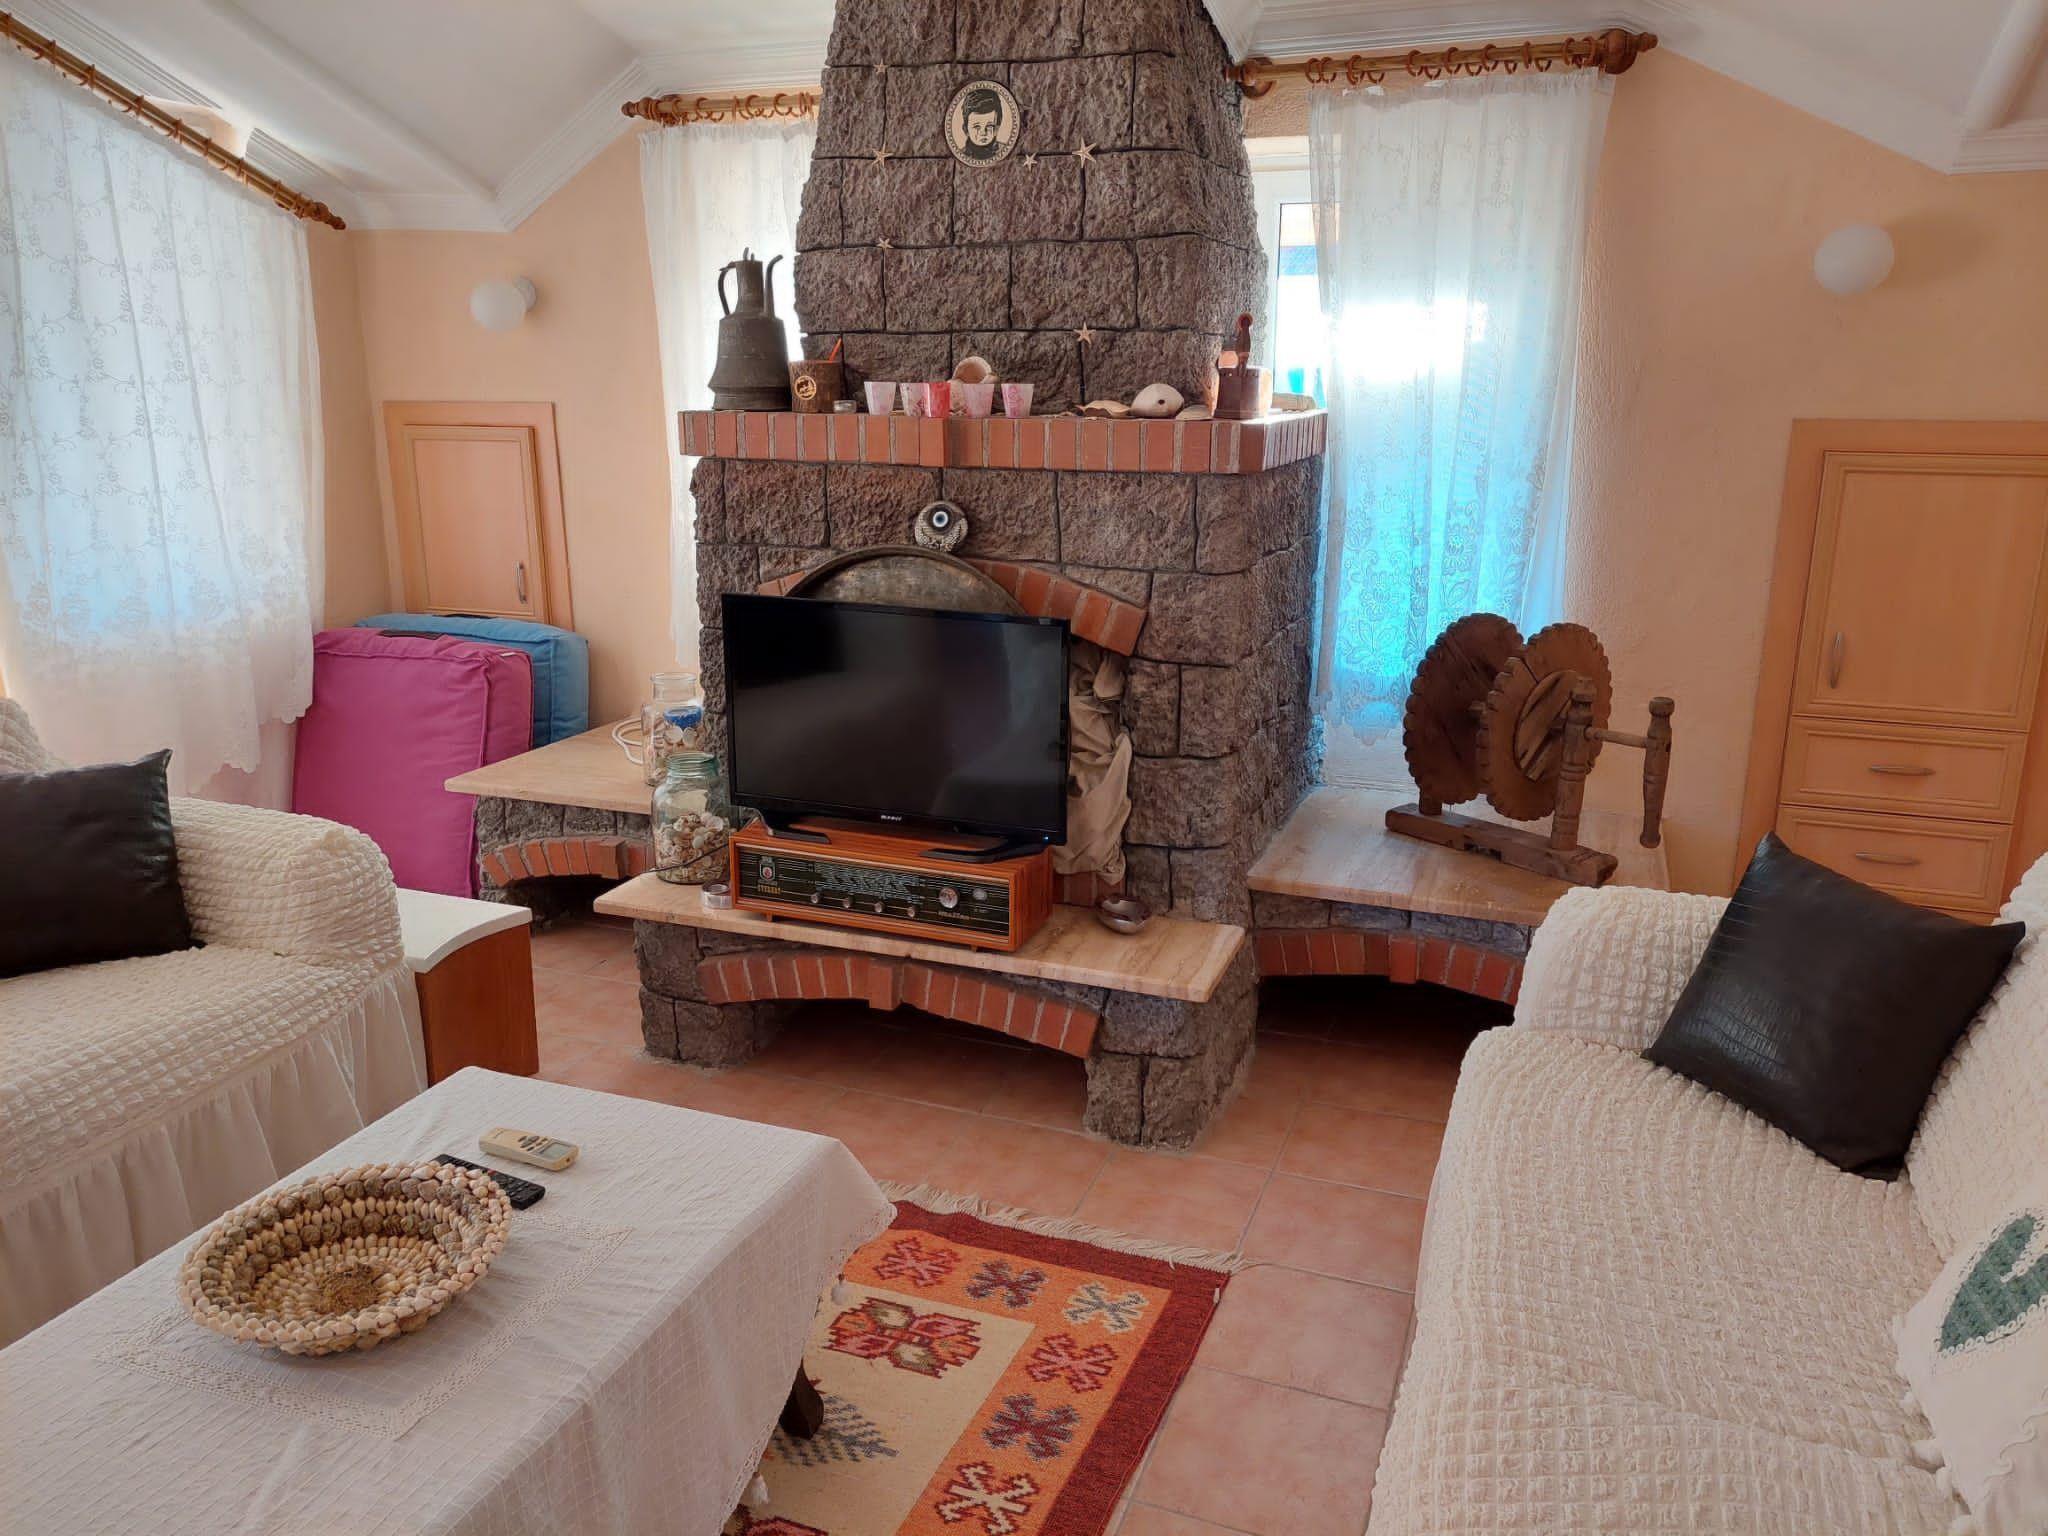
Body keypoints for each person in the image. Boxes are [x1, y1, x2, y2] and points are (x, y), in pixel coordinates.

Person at [957, 86, 1007, 162]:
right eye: (977, 126)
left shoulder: (1003, 151)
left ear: (997, 127)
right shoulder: (962, 155)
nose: (983, 133)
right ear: (966, 129)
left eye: (989, 126)